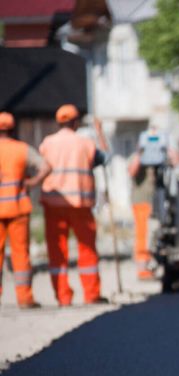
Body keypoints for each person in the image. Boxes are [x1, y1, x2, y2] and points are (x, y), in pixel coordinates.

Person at [39, 104, 109, 306]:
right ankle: (92, 294)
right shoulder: (85, 143)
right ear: (76, 122)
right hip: (80, 204)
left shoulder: (47, 143)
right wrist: (100, 133)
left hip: (53, 204)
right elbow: (105, 159)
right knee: (87, 249)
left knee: (57, 251)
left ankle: (63, 297)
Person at [0, 112, 52, 309]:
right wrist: (32, 182)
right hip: (18, 207)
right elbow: (46, 167)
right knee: (20, 253)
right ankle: (24, 298)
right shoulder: (21, 149)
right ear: (12, 129)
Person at [127, 126, 179, 280]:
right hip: (142, 201)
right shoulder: (137, 155)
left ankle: (159, 263)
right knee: (143, 235)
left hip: (162, 201)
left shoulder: (163, 154)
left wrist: (167, 149)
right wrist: (141, 153)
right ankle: (143, 269)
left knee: (161, 232)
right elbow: (131, 171)